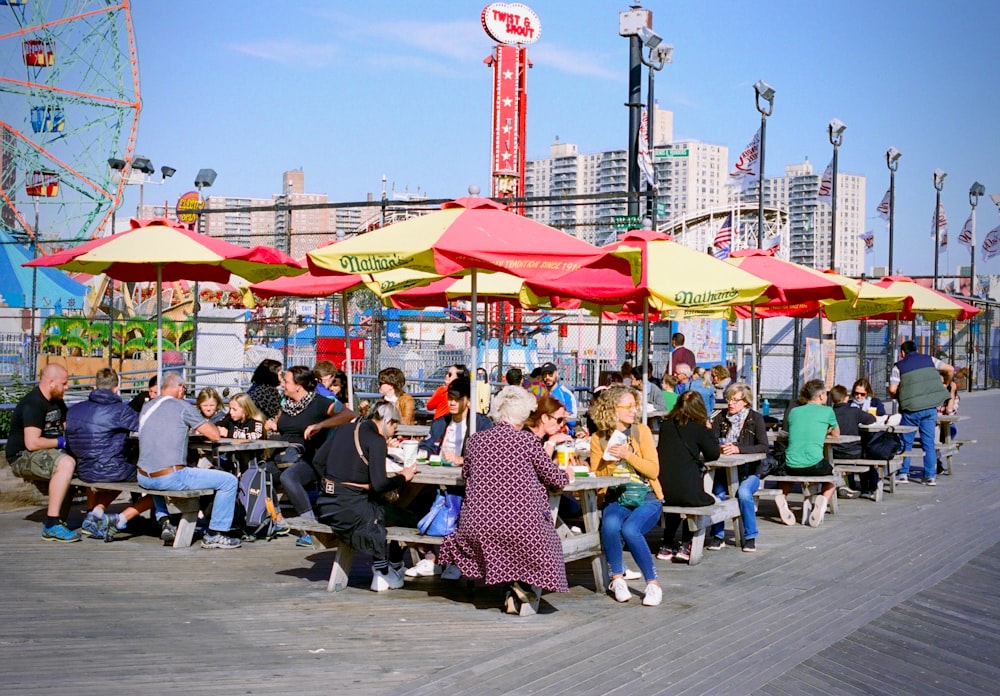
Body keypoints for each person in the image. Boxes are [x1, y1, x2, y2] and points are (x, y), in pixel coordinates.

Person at [437, 387, 570, 615]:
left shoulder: (476, 441)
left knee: (503, 538)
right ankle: (518, 587)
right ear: (523, 415)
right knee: (546, 542)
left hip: (476, 526)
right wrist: (568, 473)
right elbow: (556, 480)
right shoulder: (528, 443)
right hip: (521, 526)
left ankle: (512, 587)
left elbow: (467, 474)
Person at [314, 402, 417, 592]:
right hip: (352, 509)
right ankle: (385, 569)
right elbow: (379, 485)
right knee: (407, 518)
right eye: (395, 426)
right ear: (387, 421)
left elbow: (318, 461)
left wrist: (337, 483)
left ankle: (387, 568)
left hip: (326, 505)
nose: (393, 432)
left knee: (382, 512)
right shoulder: (376, 440)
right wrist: (404, 476)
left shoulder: (345, 428)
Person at [136, 371, 241, 549]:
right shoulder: (182, 406)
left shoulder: (148, 407)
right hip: (170, 477)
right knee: (229, 481)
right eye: (184, 388)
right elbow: (214, 435)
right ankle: (216, 533)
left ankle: (164, 519)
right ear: (180, 388)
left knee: (160, 475)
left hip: (143, 477)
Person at [407, 376, 491, 579]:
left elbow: (489, 455)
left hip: (469, 486)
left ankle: (456, 560)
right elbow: (425, 448)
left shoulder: (481, 423)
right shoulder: (440, 423)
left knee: (463, 510)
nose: (452, 402)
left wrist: (463, 459)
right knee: (412, 502)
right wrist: (423, 454)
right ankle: (429, 557)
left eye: (457, 398)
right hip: (436, 481)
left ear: (467, 401)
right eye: (450, 398)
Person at [67, 368, 162, 542]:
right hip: (111, 469)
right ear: (116, 388)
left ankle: (95, 513)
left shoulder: (74, 410)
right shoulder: (121, 410)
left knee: (118, 473)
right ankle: (121, 518)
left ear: (95, 386)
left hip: (83, 469)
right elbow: (147, 428)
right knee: (158, 482)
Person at [590, 384, 663, 607]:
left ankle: (653, 583)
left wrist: (629, 456)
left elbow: (653, 471)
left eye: (635, 406)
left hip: (647, 495)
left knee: (631, 529)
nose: (634, 411)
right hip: (617, 496)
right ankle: (617, 578)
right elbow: (598, 480)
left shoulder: (642, 432)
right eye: (629, 406)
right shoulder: (598, 438)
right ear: (613, 409)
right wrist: (609, 462)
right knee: (610, 525)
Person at [268, 365, 352, 546]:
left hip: (311, 457)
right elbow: (281, 424)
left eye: (286, 381)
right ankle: (278, 520)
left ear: (298, 385)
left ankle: (310, 527)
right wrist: (271, 423)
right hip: (283, 455)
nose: (282, 384)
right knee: (259, 473)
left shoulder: (320, 402)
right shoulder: (285, 403)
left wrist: (320, 426)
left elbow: (349, 414)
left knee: (289, 477)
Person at [6, 364, 80, 542]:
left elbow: (66, 427)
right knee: (66, 464)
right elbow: (32, 443)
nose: (67, 386)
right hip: (22, 456)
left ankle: (87, 518)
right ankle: (52, 524)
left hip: (47, 452)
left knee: (81, 463)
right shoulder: (33, 404)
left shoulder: (57, 401)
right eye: (64, 383)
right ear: (51, 382)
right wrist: (61, 442)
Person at [657, 391, 719, 563]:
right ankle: (686, 542)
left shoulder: (666, 425)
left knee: (677, 497)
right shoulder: (699, 428)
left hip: (663, 489)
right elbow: (713, 454)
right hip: (686, 490)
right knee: (702, 498)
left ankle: (667, 544)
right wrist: (709, 431)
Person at [709, 382, 770, 552]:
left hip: (750, 471)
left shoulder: (755, 418)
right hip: (724, 470)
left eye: (736, 400)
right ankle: (717, 535)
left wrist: (739, 449)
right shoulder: (719, 417)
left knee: (743, 494)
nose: (731, 403)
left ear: (745, 402)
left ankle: (750, 536)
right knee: (717, 494)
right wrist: (719, 446)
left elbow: (764, 446)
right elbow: (711, 440)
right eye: (729, 399)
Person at [889, 340, 953, 486]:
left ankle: (903, 473)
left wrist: (898, 397)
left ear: (902, 353)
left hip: (910, 409)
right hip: (930, 408)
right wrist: (945, 384)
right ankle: (930, 476)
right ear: (916, 350)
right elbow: (949, 369)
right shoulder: (930, 359)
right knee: (928, 443)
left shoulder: (899, 366)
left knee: (906, 442)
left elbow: (892, 389)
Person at [779, 379, 840, 527]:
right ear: (821, 396)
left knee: (789, 474)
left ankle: (782, 497)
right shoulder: (827, 411)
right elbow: (837, 434)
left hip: (790, 464)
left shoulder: (794, 411)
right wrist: (825, 431)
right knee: (833, 477)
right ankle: (823, 500)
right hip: (814, 464)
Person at [829, 384, 877, 499]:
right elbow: (871, 419)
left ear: (832, 399)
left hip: (833, 452)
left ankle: (849, 485)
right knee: (868, 456)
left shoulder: (828, 412)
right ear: (846, 398)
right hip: (853, 452)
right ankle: (868, 488)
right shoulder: (854, 411)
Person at [532, 362, 579, 433]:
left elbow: (572, 420)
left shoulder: (566, 394)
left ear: (556, 373)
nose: (547, 377)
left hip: (562, 432)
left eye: (550, 374)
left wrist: (559, 416)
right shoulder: (539, 392)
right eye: (544, 374)